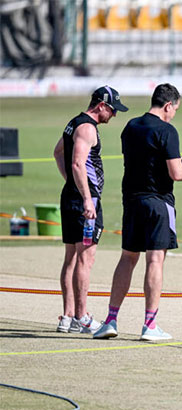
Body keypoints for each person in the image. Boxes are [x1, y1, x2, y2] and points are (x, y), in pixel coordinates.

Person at [93, 83, 182, 341]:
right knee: (155, 260)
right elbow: (176, 173)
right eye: (175, 108)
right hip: (158, 202)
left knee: (127, 258)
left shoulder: (131, 126)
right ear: (167, 106)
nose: (174, 113)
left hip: (131, 200)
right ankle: (149, 325)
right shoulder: (167, 130)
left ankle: (110, 320)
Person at [53, 86, 128, 333]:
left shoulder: (73, 123)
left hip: (71, 198)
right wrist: (86, 197)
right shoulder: (87, 128)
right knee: (86, 258)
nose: (114, 115)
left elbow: (58, 153)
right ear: (100, 106)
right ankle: (81, 317)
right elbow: (76, 162)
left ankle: (68, 316)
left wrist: (71, 184)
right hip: (86, 203)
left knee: (71, 258)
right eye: (113, 110)